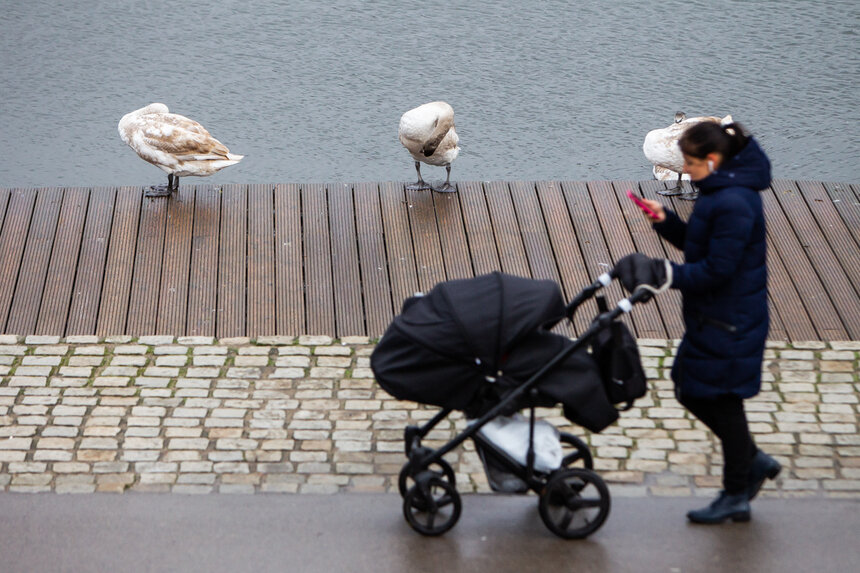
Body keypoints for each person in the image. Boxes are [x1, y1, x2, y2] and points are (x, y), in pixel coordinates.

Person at [614, 121, 781, 524]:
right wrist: (665, 220)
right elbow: (700, 245)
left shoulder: (736, 201)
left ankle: (736, 492)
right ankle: (751, 461)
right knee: (689, 386)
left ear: (712, 159)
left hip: (731, 319)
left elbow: (717, 271)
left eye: (689, 162)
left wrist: (665, 275)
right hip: (716, 316)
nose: (684, 170)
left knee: (722, 402)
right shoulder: (718, 190)